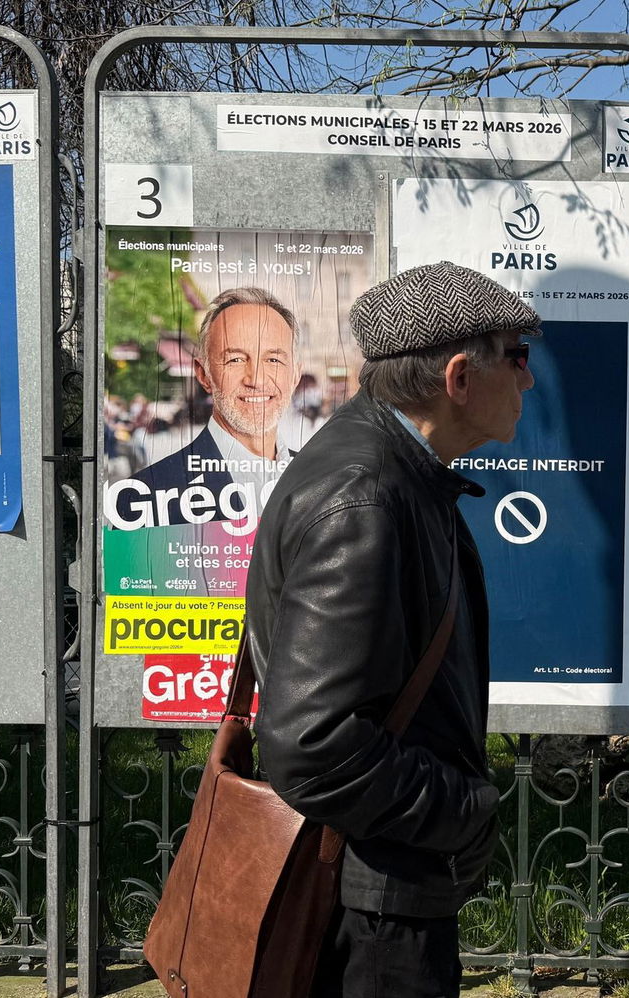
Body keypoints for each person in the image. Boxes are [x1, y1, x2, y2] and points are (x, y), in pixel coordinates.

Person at [243, 262, 538, 998]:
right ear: (459, 376)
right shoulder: (367, 496)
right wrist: (463, 813)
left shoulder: (394, 474)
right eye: (517, 357)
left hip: (378, 881)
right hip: (371, 909)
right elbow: (312, 743)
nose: (529, 380)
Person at [110, 286, 299, 526]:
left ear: (295, 376)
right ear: (204, 375)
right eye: (235, 359)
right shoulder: (144, 498)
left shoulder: (328, 482)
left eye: (273, 359)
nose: (256, 380)